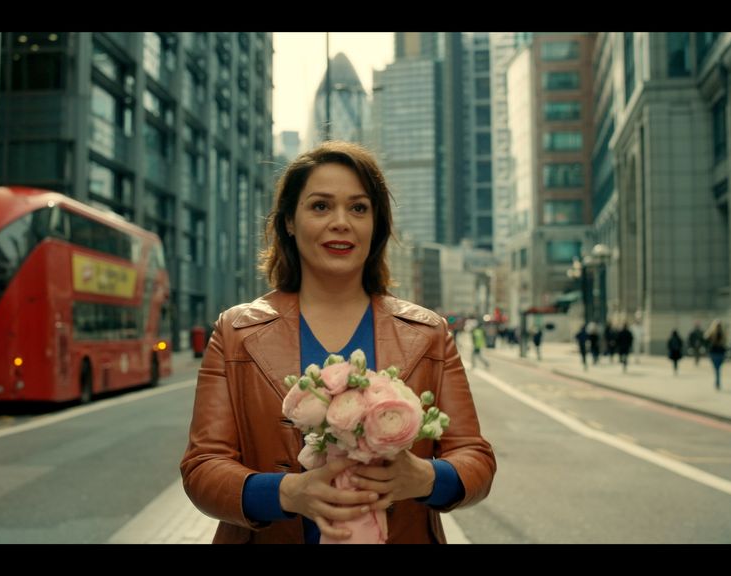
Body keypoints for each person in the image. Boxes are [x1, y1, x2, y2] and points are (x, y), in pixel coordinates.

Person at [180, 141, 496, 544]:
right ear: (289, 223)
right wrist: (287, 493)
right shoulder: (236, 331)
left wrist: (425, 477)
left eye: (359, 208)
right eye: (320, 206)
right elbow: (202, 466)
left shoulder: (429, 332)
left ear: (375, 225)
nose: (341, 222)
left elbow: (476, 459)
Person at [705, 320, 727, 391]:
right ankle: (717, 382)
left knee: (716, 368)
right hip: (720, 353)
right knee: (718, 368)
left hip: (714, 352)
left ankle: (717, 382)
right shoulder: (722, 333)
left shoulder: (712, 333)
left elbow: (705, 339)